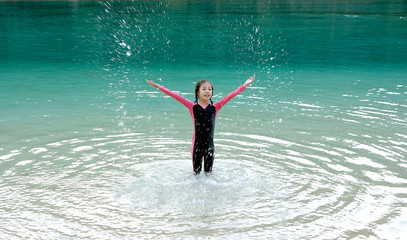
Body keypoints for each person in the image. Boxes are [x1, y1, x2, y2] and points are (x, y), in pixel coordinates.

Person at [146, 74, 255, 174]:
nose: (207, 91)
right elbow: (176, 96)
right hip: (196, 147)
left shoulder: (215, 107)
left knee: (209, 174)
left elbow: (229, 96)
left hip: (210, 147)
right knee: (196, 174)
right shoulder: (192, 107)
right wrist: (159, 87)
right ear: (197, 92)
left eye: (210, 89)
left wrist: (244, 85)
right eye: (204, 89)